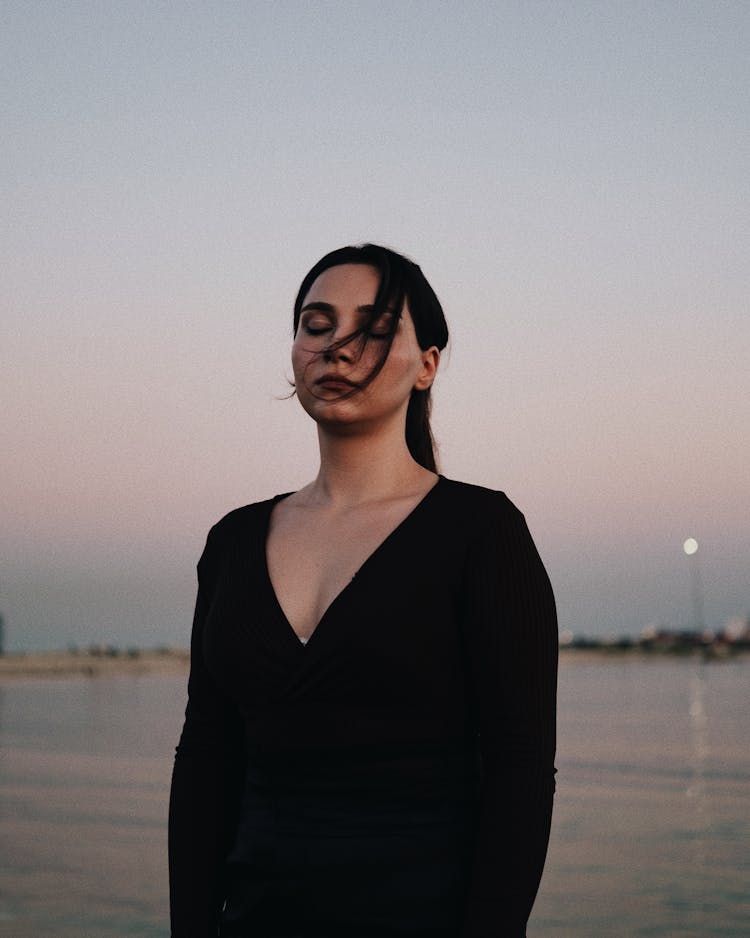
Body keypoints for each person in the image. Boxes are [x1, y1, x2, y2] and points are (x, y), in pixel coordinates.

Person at [168, 244, 558, 938]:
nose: (337, 348)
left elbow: (519, 771)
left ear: (428, 365)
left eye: (374, 329)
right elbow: (207, 760)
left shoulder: (483, 532)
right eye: (316, 325)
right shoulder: (232, 542)